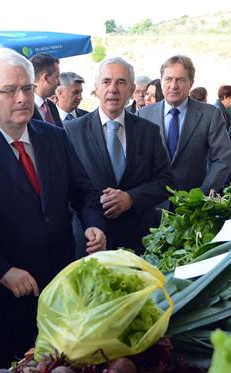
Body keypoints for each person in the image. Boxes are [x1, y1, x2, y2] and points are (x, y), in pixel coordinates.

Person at [0, 47, 106, 370]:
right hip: (8, 303)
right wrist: (2, 271)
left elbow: (84, 193)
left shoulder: (55, 138)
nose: (22, 98)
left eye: (27, 88)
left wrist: (93, 223)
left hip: (63, 289)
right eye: (10, 90)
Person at [64, 57, 171, 254]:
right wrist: (90, 224)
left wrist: (131, 198)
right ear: (96, 88)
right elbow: (65, 190)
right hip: (91, 242)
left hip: (139, 242)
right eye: (106, 81)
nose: (112, 89)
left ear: (131, 90)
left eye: (120, 82)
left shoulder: (148, 132)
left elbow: (165, 182)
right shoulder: (71, 131)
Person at [137, 55, 231, 194]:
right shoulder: (143, 115)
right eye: (168, 79)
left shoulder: (210, 115)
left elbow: (223, 159)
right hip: (153, 204)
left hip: (194, 205)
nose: (173, 86)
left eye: (180, 80)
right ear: (161, 81)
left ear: (191, 83)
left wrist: (201, 195)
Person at [30, 54, 62, 126]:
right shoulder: (25, 109)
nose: (59, 83)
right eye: (56, 77)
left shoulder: (52, 106)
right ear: (46, 78)